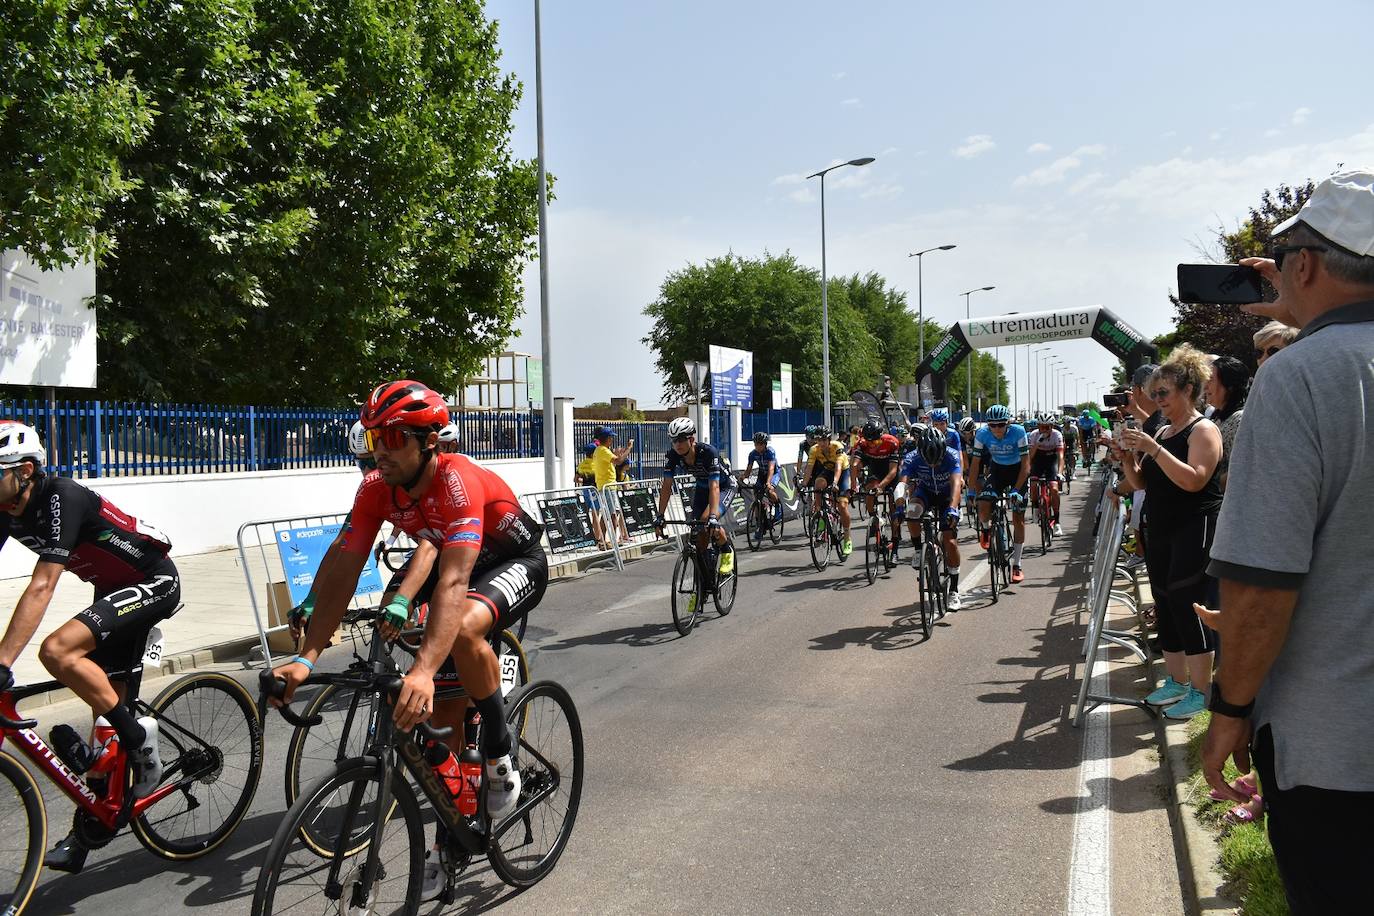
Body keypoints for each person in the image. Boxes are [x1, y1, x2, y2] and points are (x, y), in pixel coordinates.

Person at [1194, 169, 1374, 914]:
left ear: (1304, 264)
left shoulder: (1300, 377)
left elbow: (1263, 585)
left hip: (1337, 753)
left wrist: (1229, 706)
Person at [270, 381, 547, 830]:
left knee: (459, 629)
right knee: (412, 628)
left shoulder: (456, 482)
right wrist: (307, 657)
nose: (381, 450)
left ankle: (499, 751)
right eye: (374, 438)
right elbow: (344, 567)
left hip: (515, 559)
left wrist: (422, 670)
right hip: (460, 559)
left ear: (429, 440)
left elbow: (454, 580)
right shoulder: (377, 489)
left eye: (395, 438)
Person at [0, 420, 178, 873]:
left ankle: (137, 738)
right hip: (110, 592)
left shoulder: (60, 496)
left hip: (152, 582)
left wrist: (3, 661)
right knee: (103, 731)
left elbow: (43, 586)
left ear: (24, 471)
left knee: (57, 650)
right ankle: (91, 827)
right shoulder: (6, 508)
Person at [1109, 346, 1223, 721]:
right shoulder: (1160, 429)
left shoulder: (1203, 429)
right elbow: (1141, 483)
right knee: (1165, 601)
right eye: (1153, 394)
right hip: (1160, 526)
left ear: (1188, 391)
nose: (1157, 400)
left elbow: (1195, 481)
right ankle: (1176, 681)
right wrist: (1126, 457)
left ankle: (1201, 690)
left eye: (1163, 394)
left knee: (1187, 603)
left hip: (1193, 527)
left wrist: (1154, 448)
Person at [653, 417, 736, 583]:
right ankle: (703, 582)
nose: (677, 444)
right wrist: (660, 515)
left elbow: (715, 487)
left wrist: (713, 517)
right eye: (674, 440)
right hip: (702, 488)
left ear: (691, 439)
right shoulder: (673, 456)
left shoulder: (708, 452)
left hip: (724, 486)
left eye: (681, 439)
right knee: (697, 534)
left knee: (707, 520)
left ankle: (726, 550)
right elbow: (666, 486)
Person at [895, 425, 965, 610]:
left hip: (946, 495)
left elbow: (957, 484)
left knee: (950, 542)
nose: (933, 464)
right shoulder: (912, 457)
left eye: (937, 460)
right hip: (925, 492)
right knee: (912, 512)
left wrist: (952, 508)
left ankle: (954, 591)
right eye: (929, 461)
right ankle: (919, 550)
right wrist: (900, 504)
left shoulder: (951, 455)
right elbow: (902, 484)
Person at [968, 405, 1030, 583]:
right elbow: (975, 464)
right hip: (997, 471)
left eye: (1001, 425)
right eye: (992, 425)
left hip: (1017, 472)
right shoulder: (982, 434)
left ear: (1008, 423)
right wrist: (971, 490)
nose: (996, 429)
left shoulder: (1018, 432)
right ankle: (987, 530)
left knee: (1018, 517)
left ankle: (1017, 564)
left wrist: (1017, 490)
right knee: (984, 503)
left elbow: (1026, 466)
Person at [802, 427, 853, 558]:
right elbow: (809, 468)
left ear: (829, 440)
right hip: (828, 470)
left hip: (843, 472)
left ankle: (847, 538)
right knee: (818, 483)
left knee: (842, 505)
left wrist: (835, 483)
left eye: (824, 440)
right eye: (818, 440)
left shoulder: (837, 446)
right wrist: (803, 485)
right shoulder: (814, 449)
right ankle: (820, 515)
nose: (821, 443)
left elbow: (839, 467)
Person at [854, 421, 904, 554]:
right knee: (870, 492)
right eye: (869, 442)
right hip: (875, 470)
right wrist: (854, 487)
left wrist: (881, 487)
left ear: (881, 437)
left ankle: (895, 550)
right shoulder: (862, 444)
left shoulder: (892, 442)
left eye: (875, 442)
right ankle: (874, 520)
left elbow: (893, 471)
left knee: (894, 512)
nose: (872, 445)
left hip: (890, 473)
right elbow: (854, 465)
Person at [1204, 357, 1249, 491]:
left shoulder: (1239, 421)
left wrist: (1203, 485)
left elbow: (1242, 470)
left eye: (1211, 379)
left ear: (1229, 386)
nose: (1205, 386)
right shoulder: (1217, 417)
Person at [591, 427, 633, 544]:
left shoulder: (600, 450)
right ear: (608, 439)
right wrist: (629, 448)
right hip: (608, 486)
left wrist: (618, 453)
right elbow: (619, 461)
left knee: (607, 514)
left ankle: (602, 541)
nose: (612, 440)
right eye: (611, 438)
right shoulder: (603, 450)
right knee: (613, 514)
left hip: (606, 486)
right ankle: (613, 541)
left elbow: (614, 459)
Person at [1026, 414, 1065, 537]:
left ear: (1052, 427)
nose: (1044, 430)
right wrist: (1037, 444)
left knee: (1054, 489)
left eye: (1047, 427)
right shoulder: (1033, 435)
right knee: (1033, 485)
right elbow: (1030, 457)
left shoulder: (1057, 435)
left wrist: (1059, 472)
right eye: (1042, 427)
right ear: (1038, 427)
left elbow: (1061, 457)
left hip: (1051, 461)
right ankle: (1036, 508)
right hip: (1037, 461)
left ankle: (1057, 522)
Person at [744, 432, 782, 523]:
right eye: (756, 444)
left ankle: (777, 506)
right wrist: (743, 477)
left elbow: (771, 469)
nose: (757, 446)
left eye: (760, 444)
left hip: (774, 473)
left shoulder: (770, 452)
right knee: (757, 497)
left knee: (769, 491)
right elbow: (748, 469)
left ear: (765, 444)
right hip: (762, 473)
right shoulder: (752, 454)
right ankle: (759, 523)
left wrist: (768, 482)